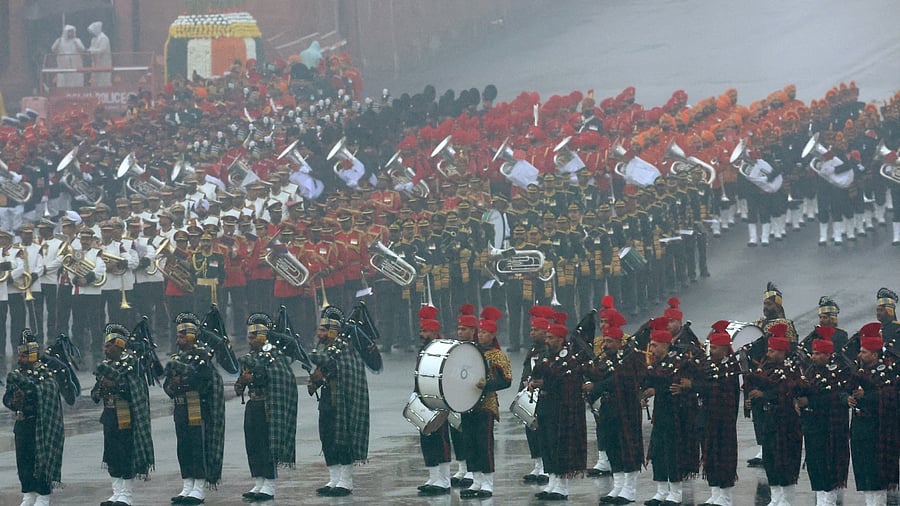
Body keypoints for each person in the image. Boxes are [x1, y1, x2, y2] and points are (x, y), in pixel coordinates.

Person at [233, 313, 298, 502]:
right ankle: (258, 481)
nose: (250, 340)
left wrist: (255, 377)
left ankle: (268, 484)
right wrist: (242, 382)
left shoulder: (275, 356)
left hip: (268, 406)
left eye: (254, 337)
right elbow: (240, 384)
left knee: (266, 445)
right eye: (249, 337)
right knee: (253, 444)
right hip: (252, 404)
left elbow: (278, 377)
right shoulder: (249, 358)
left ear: (263, 337)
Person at [163, 312, 226, 505]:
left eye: (182, 336)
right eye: (178, 336)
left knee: (198, 447)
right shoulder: (176, 358)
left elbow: (204, 382)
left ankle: (199, 487)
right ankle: (187, 484)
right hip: (181, 408)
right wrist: (172, 386)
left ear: (191, 336)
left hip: (197, 407)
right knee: (183, 447)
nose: (178, 340)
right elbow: (167, 384)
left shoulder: (201, 357)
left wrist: (182, 382)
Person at [309, 305, 370, 497]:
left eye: (323, 330)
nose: (319, 333)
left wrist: (326, 369)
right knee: (327, 437)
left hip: (344, 400)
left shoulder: (345, 349)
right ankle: (334, 478)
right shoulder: (324, 348)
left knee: (342, 439)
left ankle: (346, 481)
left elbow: (344, 369)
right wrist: (316, 380)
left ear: (333, 331)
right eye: (319, 329)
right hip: (328, 398)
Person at [91, 323, 155, 506]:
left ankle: (126, 494)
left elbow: (135, 390)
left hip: (126, 416)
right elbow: (95, 394)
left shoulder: (132, 365)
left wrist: (116, 385)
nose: (105, 349)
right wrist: (101, 389)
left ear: (119, 345)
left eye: (108, 345)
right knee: (112, 454)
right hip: (109, 415)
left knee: (125, 454)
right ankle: (116, 492)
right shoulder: (105, 366)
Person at [640, 317, 700, 506]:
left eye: (654, 345)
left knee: (673, 453)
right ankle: (661, 491)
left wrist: (656, 388)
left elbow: (673, 382)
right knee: (658, 452)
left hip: (676, 415)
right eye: (651, 345)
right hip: (661, 414)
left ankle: (675, 493)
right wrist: (643, 393)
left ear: (665, 344)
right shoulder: (657, 363)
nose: (651, 349)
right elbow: (648, 379)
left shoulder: (679, 361)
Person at [3, 329, 64, 506]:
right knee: (24, 461)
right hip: (22, 425)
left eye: (24, 355)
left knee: (41, 461)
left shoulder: (46, 375)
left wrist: (31, 393)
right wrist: (14, 402)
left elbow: (49, 393)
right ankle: (28, 494)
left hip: (40, 425)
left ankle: (43, 496)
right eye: (19, 355)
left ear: (32, 355)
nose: (20, 358)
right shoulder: (17, 375)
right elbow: (7, 398)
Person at [745, 323, 803, 506]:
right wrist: (753, 400)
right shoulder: (766, 369)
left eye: (772, 350)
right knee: (770, 460)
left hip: (787, 424)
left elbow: (786, 391)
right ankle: (776, 497)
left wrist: (763, 394)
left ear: (782, 351)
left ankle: (786, 499)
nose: (768, 353)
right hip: (769, 421)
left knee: (784, 460)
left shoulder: (791, 370)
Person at [587, 322, 645, 505]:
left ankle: (630, 489)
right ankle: (618, 486)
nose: (606, 345)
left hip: (627, 409)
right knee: (612, 447)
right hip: (609, 409)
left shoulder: (631, 358)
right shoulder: (606, 360)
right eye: (604, 341)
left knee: (627, 447)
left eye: (610, 341)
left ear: (620, 342)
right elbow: (600, 377)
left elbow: (618, 380)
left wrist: (596, 386)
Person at [530, 320, 587, 501]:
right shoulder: (547, 357)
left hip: (561, 409)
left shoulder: (569, 360)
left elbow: (568, 384)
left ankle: (562, 486)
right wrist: (534, 382)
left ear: (561, 339)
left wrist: (545, 383)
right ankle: (552, 481)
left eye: (551, 338)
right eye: (547, 337)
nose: (547, 340)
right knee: (546, 445)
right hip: (545, 406)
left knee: (559, 446)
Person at [459, 306, 512, 499]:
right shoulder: (468, 351)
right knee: (469, 443)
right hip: (467, 404)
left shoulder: (497, 355)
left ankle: (488, 482)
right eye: (479, 332)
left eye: (485, 333)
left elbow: (506, 380)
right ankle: (476, 480)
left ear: (492, 335)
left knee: (484, 444)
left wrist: (487, 385)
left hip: (486, 405)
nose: (481, 335)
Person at [847, 322, 899, 506]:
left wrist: (866, 396)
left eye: (863, 352)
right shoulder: (859, 372)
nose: (859, 355)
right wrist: (848, 398)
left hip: (877, 429)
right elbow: (843, 389)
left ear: (874, 355)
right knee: (864, 471)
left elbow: (891, 395)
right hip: (860, 429)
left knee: (876, 475)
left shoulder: (887, 373)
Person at [747, 281, 798, 467]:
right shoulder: (757, 323)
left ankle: (770, 448)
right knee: (757, 412)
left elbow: (791, 349)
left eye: (769, 304)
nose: (766, 308)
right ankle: (762, 447)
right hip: (758, 372)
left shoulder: (786, 324)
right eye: (764, 304)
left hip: (774, 373)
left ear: (778, 306)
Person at [795, 336, 849, 506]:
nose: (814, 356)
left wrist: (809, 401)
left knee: (829, 464)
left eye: (818, 353)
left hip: (830, 426)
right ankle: (821, 500)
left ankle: (829, 500)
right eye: (813, 353)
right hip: (812, 425)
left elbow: (834, 397)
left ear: (828, 354)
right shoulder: (811, 371)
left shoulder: (839, 371)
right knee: (815, 463)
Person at [694, 321, 740, 506]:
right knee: (709, 454)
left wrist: (695, 385)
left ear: (724, 349)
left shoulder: (731, 368)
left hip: (723, 419)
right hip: (707, 417)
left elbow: (719, 389)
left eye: (714, 348)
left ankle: (725, 496)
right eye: (710, 347)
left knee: (724, 457)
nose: (710, 351)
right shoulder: (707, 364)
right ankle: (715, 492)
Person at [414, 307, 452, 496]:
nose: (423, 334)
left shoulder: (443, 349)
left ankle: (444, 479)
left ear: (435, 332)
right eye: (422, 331)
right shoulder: (423, 349)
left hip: (439, 400)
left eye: (426, 331)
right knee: (426, 438)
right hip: (424, 398)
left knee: (440, 439)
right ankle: (433, 476)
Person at [519, 306, 552, 484]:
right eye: (531, 329)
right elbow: (526, 372)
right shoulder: (532, 350)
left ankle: (547, 467)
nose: (532, 333)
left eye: (536, 330)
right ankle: (537, 465)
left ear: (545, 332)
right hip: (529, 395)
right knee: (531, 431)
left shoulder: (548, 351)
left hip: (544, 395)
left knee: (544, 432)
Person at [87, 21, 112, 87]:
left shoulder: (103, 38)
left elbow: (102, 50)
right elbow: (91, 48)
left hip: (103, 63)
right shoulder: (93, 39)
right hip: (95, 63)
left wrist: (91, 51)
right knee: (95, 80)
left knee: (103, 80)